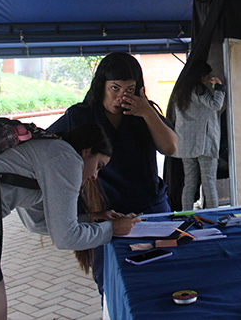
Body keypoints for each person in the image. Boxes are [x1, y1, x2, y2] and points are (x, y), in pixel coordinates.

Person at [0, 122, 141, 320]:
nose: (94, 177)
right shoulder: (66, 158)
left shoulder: (43, 149)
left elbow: (36, 223)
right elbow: (65, 237)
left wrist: (92, 218)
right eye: (98, 166)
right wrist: (112, 229)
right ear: (86, 151)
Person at [47, 52, 177, 293]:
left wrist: (147, 112)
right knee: (112, 284)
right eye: (115, 88)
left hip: (150, 208)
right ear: (101, 86)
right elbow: (49, 147)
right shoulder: (81, 115)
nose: (121, 97)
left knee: (161, 275)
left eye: (130, 89)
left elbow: (171, 147)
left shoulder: (144, 113)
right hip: (106, 212)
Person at [172, 61, 226, 210]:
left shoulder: (180, 92)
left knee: (189, 183)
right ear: (200, 76)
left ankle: (187, 215)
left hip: (185, 144)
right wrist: (219, 87)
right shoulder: (199, 90)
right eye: (207, 76)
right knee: (209, 183)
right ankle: (213, 217)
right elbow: (216, 105)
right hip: (204, 143)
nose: (207, 79)